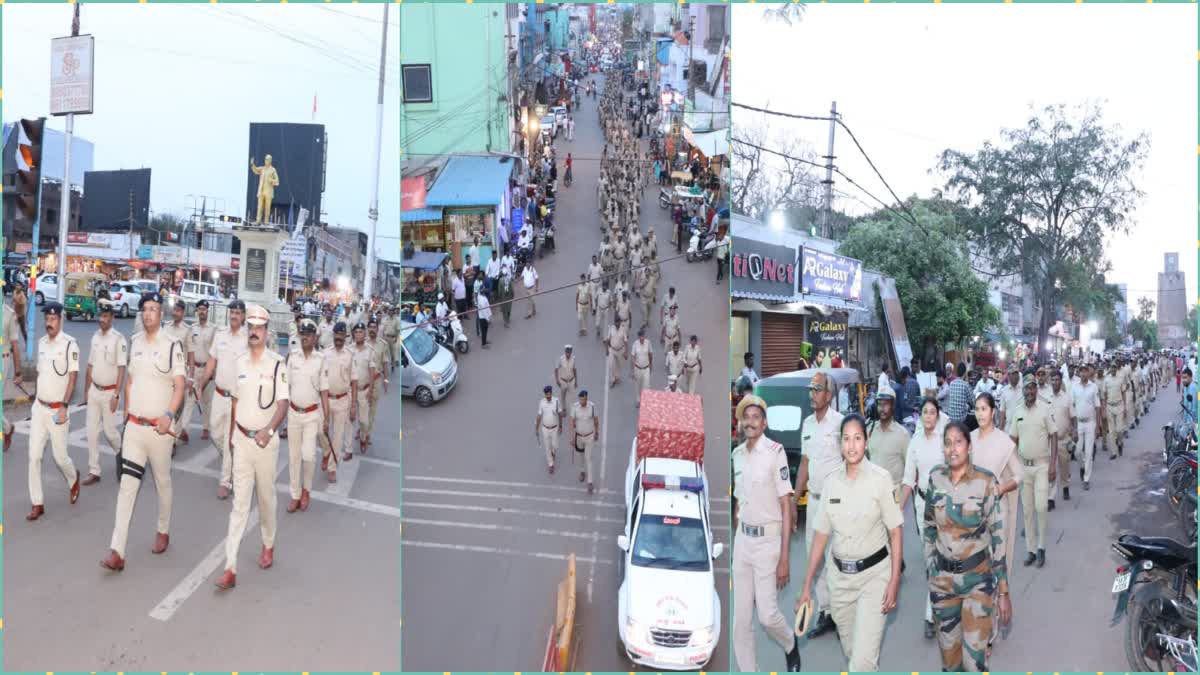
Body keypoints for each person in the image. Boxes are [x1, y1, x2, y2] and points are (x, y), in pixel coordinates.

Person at [796, 413, 903, 672]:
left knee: (861, 665)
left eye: (857, 438)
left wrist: (893, 581)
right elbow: (821, 534)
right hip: (840, 583)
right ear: (840, 444)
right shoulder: (831, 482)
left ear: (866, 442)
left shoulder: (880, 479)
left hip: (874, 578)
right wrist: (807, 585)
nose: (852, 445)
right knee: (854, 653)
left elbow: (896, 531)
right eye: (846, 439)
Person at [100, 293, 185, 570]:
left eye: (154, 309)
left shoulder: (173, 346)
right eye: (145, 309)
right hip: (135, 428)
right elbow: (130, 382)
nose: (149, 314)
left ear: (161, 314)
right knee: (127, 487)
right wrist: (126, 416)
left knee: (163, 483)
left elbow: (180, 386)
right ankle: (117, 550)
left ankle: (163, 530)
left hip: (160, 431)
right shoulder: (134, 343)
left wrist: (169, 416)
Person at [923, 422, 1012, 672]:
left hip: (977, 583)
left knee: (974, 663)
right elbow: (929, 524)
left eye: (958, 442)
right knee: (950, 663)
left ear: (969, 446)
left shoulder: (985, 481)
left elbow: (998, 538)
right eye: (948, 443)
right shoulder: (935, 478)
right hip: (943, 583)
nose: (953, 449)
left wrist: (1003, 591)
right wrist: (931, 564)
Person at [214, 305, 289, 590]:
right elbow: (234, 402)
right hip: (242, 442)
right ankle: (229, 567)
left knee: (267, 500)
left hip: (266, 445)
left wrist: (269, 431)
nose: (254, 332)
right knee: (239, 506)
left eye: (259, 328)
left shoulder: (276, 364)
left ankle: (268, 543)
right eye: (251, 327)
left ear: (266, 332)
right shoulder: (239, 362)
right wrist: (234, 437)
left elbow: (282, 404)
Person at [730, 394, 802, 672]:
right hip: (743, 543)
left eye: (755, 417)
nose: (750, 422)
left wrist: (784, 557)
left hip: (768, 542)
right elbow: (739, 502)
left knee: (768, 615)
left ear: (764, 422)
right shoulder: (737, 456)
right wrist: (739, 534)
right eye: (746, 417)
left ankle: (789, 643)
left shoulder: (775, 452)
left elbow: (786, 505)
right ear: (741, 423)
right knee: (741, 622)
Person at [792, 371, 845, 639]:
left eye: (817, 389)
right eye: (811, 389)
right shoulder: (807, 425)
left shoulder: (840, 424)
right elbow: (804, 464)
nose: (813, 394)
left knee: (834, 558)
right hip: (813, 502)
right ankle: (827, 613)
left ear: (829, 394)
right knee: (814, 558)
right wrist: (793, 501)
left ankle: (839, 611)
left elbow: (852, 462)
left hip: (834, 503)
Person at [26, 302, 83, 521]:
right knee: (34, 456)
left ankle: (73, 477)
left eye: (53, 319)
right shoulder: (41, 343)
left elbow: (73, 378)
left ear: (60, 320)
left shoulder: (70, 345)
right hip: (40, 408)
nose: (49, 323)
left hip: (58, 410)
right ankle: (37, 502)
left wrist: (64, 406)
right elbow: (42, 374)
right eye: (47, 319)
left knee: (60, 457)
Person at [899, 397, 947, 638]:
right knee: (931, 558)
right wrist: (898, 509)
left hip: (943, 504)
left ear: (937, 416)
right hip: (921, 503)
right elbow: (909, 479)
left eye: (932, 412)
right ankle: (938, 606)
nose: (928, 416)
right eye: (924, 412)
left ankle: (930, 615)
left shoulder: (944, 441)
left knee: (939, 557)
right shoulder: (915, 443)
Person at [196, 299, 249, 499]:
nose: (234, 315)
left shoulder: (247, 339)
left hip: (237, 399)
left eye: (238, 312)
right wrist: (201, 384)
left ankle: (225, 480)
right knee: (215, 432)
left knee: (228, 438)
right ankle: (234, 461)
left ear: (243, 316)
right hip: (219, 394)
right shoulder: (220, 335)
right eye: (232, 312)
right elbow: (212, 362)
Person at [1006, 374, 1057, 568]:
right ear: (1023, 390)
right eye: (1027, 388)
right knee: (1027, 511)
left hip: (1042, 466)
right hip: (1023, 468)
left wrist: (1053, 464)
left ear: (1037, 389)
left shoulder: (1044, 409)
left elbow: (1054, 435)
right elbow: (1012, 440)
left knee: (1041, 507)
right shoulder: (1017, 411)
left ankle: (1042, 547)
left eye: (1033, 388)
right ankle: (1031, 550)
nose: (1030, 391)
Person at [83, 299, 127, 486]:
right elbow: (90, 365)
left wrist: (117, 394)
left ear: (112, 318)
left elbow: (122, 369)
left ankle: (123, 454)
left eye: (106, 316)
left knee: (109, 433)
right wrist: (86, 390)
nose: (102, 319)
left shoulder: (118, 339)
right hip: (94, 390)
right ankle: (94, 470)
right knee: (91, 431)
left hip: (109, 393)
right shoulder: (95, 337)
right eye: (101, 316)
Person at [285, 319, 323, 513]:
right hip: (294, 413)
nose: (305, 337)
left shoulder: (320, 359)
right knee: (293, 457)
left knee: (308, 455)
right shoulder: (293, 357)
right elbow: (286, 386)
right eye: (303, 334)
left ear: (315, 337)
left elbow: (324, 390)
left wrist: (327, 420)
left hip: (311, 415)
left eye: (309, 334)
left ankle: (306, 489)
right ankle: (295, 494)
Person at [866, 385, 910, 501]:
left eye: (886, 404)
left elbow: (910, 471)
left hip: (895, 495)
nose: (882, 408)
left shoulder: (903, 435)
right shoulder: (870, 430)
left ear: (893, 406)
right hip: (874, 494)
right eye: (880, 404)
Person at [161, 301, 193, 446]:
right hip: (166, 372)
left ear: (183, 313)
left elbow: (191, 355)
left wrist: (191, 377)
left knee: (178, 408)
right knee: (166, 403)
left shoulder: (187, 330)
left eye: (179, 311)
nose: (176, 313)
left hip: (180, 372)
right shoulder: (165, 327)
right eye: (174, 310)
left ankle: (173, 439)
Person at [1047, 370, 1076, 510]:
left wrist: (1074, 431)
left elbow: (1073, 416)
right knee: (1051, 468)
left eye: (1057, 380)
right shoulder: (1046, 398)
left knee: (1064, 466)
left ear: (1061, 381)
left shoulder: (1067, 398)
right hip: (1050, 440)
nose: (1055, 382)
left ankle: (1065, 486)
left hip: (1064, 439)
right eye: (1052, 380)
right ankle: (1051, 498)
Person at [569, 389, 599, 494]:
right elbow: (572, 422)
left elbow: (596, 420)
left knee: (588, 458)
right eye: (580, 399)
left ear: (587, 398)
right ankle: (582, 471)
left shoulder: (592, 407)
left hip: (589, 436)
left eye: (583, 399)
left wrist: (597, 432)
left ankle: (590, 482)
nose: (582, 401)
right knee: (580, 456)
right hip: (578, 436)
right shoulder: (575, 407)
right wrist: (572, 437)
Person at [535, 385, 562, 475]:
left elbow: (560, 413)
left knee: (555, 446)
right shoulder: (542, 402)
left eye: (549, 394)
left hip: (555, 428)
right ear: (545, 394)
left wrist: (561, 426)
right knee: (547, 447)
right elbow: (539, 415)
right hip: (545, 428)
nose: (548, 396)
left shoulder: (556, 401)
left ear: (551, 393)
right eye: (547, 394)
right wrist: (536, 427)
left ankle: (553, 452)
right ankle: (551, 464)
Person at [1103, 361, 1125, 459]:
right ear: (1110, 369)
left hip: (1119, 405)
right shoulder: (1106, 380)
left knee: (1119, 429)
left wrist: (1125, 406)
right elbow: (1104, 395)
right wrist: (1104, 408)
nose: (1113, 369)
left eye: (1115, 367)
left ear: (1117, 369)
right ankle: (1113, 452)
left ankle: (1120, 443)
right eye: (1112, 367)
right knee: (1111, 431)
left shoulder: (1120, 379)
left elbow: (1123, 392)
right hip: (1109, 407)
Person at [630, 328, 653, 407]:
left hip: (646, 368)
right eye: (640, 336)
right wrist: (632, 370)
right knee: (638, 386)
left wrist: (651, 365)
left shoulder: (648, 343)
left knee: (646, 385)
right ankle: (638, 400)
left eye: (643, 336)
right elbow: (632, 357)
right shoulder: (635, 344)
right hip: (637, 368)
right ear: (638, 337)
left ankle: (645, 400)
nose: (642, 338)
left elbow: (650, 354)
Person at [555, 345, 578, 411]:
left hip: (571, 381)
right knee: (563, 396)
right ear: (565, 352)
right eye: (567, 352)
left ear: (571, 352)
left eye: (570, 352)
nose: (568, 354)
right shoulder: (560, 359)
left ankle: (573, 412)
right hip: (563, 381)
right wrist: (557, 380)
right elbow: (556, 369)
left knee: (572, 398)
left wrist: (576, 381)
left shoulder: (573, 358)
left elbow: (574, 370)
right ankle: (564, 408)